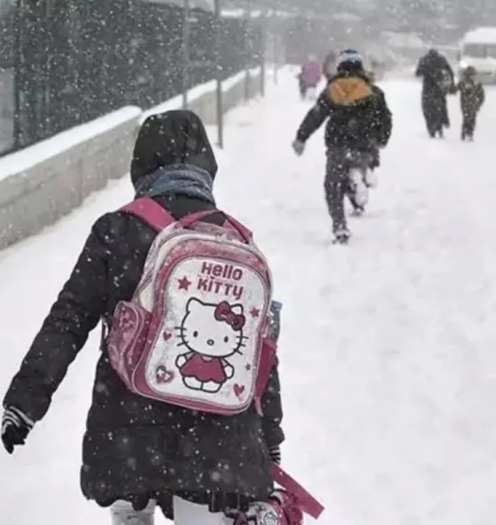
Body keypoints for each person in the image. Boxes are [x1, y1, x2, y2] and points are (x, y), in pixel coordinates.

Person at [0, 110, 285, 524]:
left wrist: (23, 405)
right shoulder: (236, 240)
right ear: (206, 167)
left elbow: (68, 321)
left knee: (132, 512)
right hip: (218, 440)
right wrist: (269, 439)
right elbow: (261, 355)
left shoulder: (116, 231)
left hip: (129, 428)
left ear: (141, 165)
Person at [292, 49, 393, 244]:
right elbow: (385, 119)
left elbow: (316, 115)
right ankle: (364, 177)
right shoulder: (374, 92)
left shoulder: (332, 90)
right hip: (364, 145)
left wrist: (301, 138)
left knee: (333, 185)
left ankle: (340, 226)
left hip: (338, 145)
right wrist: (382, 139)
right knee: (360, 166)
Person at [415, 49, 455, 138]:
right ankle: (442, 123)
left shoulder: (424, 60)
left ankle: (432, 128)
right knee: (441, 105)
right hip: (439, 86)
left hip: (428, 87)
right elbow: (450, 71)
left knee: (428, 108)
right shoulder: (441, 59)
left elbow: (417, 73)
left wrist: (427, 72)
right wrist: (451, 83)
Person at [457, 66, 485, 141]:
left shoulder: (475, 83)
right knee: (469, 117)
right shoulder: (465, 83)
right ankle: (467, 132)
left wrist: (479, 102)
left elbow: (481, 94)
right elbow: (481, 94)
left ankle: (467, 132)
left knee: (469, 117)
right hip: (469, 103)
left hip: (471, 103)